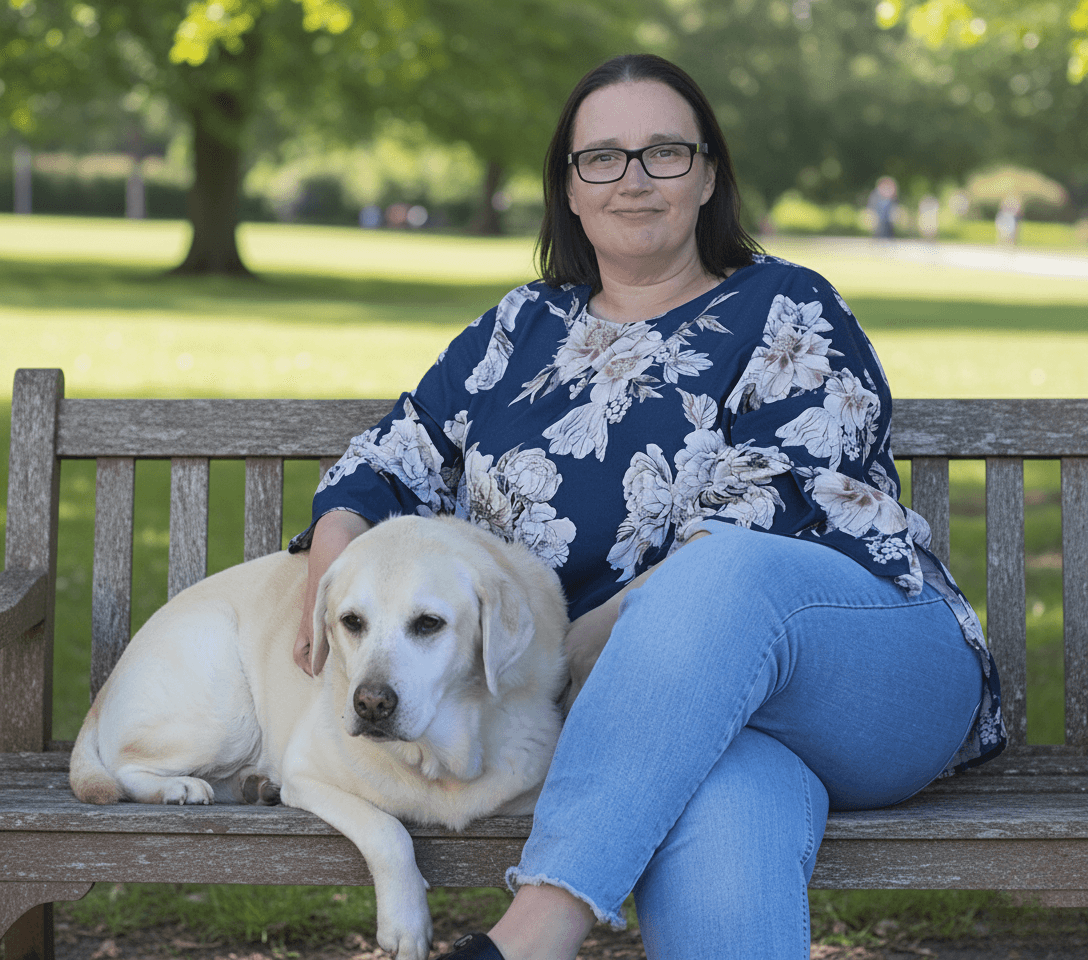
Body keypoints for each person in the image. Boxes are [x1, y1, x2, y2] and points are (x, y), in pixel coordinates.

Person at [289, 54, 1006, 960]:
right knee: (720, 796)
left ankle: (535, 932)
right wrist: (338, 544)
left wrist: (578, 650)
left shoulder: (787, 307)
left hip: (868, 671)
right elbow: (392, 457)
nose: (633, 179)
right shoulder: (519, 331)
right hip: (671, 727)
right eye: (603, 158)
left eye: (664, 152)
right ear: (570, 190)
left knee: (726, 566)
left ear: (707, 176)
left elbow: (774, 503)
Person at [867, 175, 899, 239]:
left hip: (888, 221)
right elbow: (871, 206)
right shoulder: (876, 196)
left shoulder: (891, 199)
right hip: (880, 220)